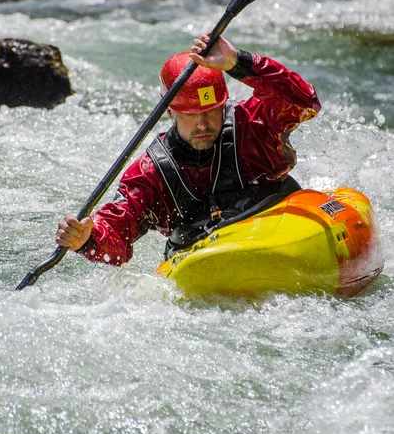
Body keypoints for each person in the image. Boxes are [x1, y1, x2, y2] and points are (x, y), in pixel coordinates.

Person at [56, 31, 321, 265]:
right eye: (190, 115)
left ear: (222, 105)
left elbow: (304, 100)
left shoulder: (253, 125)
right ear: (170, 112)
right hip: (208, 256)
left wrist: (238, 63)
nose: (203, 124)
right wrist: (88, 239)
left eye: (211, 112)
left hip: (281, 225)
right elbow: (118, 231)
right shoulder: (152, 173)